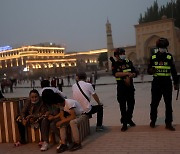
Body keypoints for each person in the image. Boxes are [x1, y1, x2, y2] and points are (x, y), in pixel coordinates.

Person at [147, 37, 179, 131]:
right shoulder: (153, 57)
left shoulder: (169, 57)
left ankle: (168, 123)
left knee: (168, 104)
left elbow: (173, 71)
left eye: (164, 46)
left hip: (167, 83)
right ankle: (153, 121)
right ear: (158, 47)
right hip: (156, 83)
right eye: (161, 46)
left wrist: (176, 82)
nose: (162, 48)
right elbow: (149, 70)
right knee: (154, 104)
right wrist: (151, 70)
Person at [41, 89, 85, 153]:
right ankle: (64, 143)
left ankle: (77, 143)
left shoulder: (69, 103)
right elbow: (61, 116)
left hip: (81, 115)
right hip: (71, 116)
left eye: (55, 105)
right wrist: (60, 122)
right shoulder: (61, 105)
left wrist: (62, 121)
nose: (56, 106)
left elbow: (73, 116)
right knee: (62, 124)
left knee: (72, 122)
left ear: (58, 103)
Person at [111, 48, 137, 132]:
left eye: (123, 53)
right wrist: (126, 74)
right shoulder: (115, 64)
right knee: (122, 106)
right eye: (121, 54)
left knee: (131, 104)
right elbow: (116, 74)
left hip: (130, 87)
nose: (123, 55)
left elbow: (135, 72)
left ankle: (129, 118)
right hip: (121, 88)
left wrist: (131, 75)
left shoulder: (128, 62)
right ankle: (124, 123)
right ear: (116, 56)